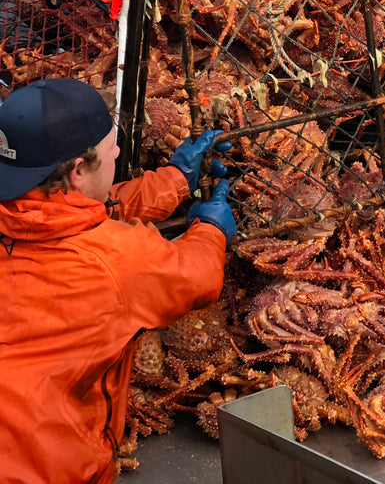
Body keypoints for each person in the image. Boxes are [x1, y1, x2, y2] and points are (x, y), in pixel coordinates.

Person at [0, 78, 238, 483]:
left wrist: (175, 180)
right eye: (113, 147)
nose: (116, 152)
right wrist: (210, 229)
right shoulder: (114, 261)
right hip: (41, 466)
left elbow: (68, 214)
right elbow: (197, 276)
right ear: (77, 171)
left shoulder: (23, 206)